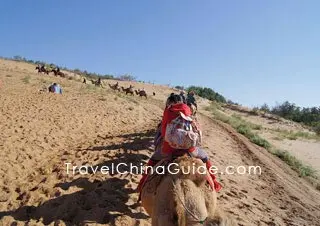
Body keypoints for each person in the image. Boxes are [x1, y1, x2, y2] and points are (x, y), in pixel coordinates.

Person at [137, 93, 222, 192]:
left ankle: (143, 182)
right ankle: (214, 182)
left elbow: (164, 130)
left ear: (169, 102)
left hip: (168, 149)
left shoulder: (168, 111)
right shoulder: (188, 110)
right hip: (190, 149)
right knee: (205, 157)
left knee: (153, 159)